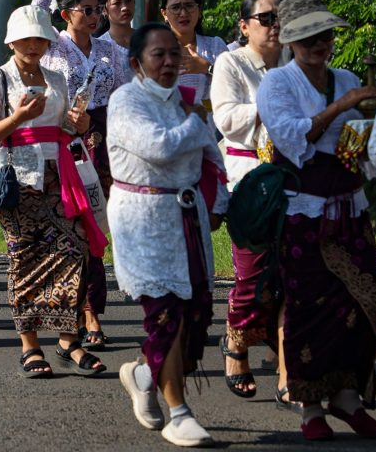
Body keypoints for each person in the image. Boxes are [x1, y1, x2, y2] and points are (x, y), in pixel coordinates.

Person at [257, 0, 376, 441]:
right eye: (308, 36)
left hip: (350, 205)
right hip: (305, 210)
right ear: (291, 40)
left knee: (365, 299)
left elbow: (363, 142)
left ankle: (347, 395)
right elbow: (290, 136)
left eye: (325, 35)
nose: (319, 44)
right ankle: (310, 404)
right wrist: (340, 106)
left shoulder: (347, 75)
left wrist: (368, 130)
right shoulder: (277, 84)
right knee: (309, 306)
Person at [0, 5, 107, 377]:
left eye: (39, 38)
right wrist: (17, 118)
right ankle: (30, 345)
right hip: (18, 178)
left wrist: (79, 124)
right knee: (25, 257)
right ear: (12, 40)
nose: (33, 44)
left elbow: (65, 129)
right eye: (25, 38)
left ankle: (68, 339)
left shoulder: (56, 78)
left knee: (75, 250)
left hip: (60, 174)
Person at [109, 23, 226, 448]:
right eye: (159, 55)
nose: (169, 62)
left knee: (194, 316)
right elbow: (158, 146)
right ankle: (179, 412)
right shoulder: (126, 101)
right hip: (143, 220)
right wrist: (198, 124)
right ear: (137, 62)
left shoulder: (183, 100)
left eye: (174, 54)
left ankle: (142, 374)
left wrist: (225, 197)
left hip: (186, 216)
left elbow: (211, 150)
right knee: (165, 315)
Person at [32, 0, 130, 351]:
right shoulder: (53, 46)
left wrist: (107, 129)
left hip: (102, 142)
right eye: (86, 10)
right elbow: (35, 6)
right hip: (65, 143)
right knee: (72, 226)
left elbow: (124, 98)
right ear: (66, 14)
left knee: (96, 229)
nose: (94, 17)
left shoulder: (114, 53)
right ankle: (74, 311)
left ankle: (91, 309)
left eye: (96, 10)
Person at [210, 0, 285, 401]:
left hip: (293, 178)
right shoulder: (231, 62)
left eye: (280, 18)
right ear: (244, 26)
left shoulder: (295, 62)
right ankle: (235, 343)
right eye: (266, 18)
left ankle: (286, 353)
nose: (275, 26)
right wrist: (271, 103)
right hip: (248, 176)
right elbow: (226, 118)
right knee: (252, 271)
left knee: (292, 271)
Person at [160, 0, 227, 109]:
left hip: (213, 125)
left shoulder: (215, 46)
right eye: (175, 7)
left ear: (199, 9)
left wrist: (207, 68)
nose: (183, 13)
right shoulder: (155, 51)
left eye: (189, 6)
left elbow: (236, 85)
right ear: (164, 14)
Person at [98, 0, 134, 79]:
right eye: (117, 3)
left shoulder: (148, 39)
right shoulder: (100, 47)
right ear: (104, 10)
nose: (125, 7)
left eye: (128, 1)